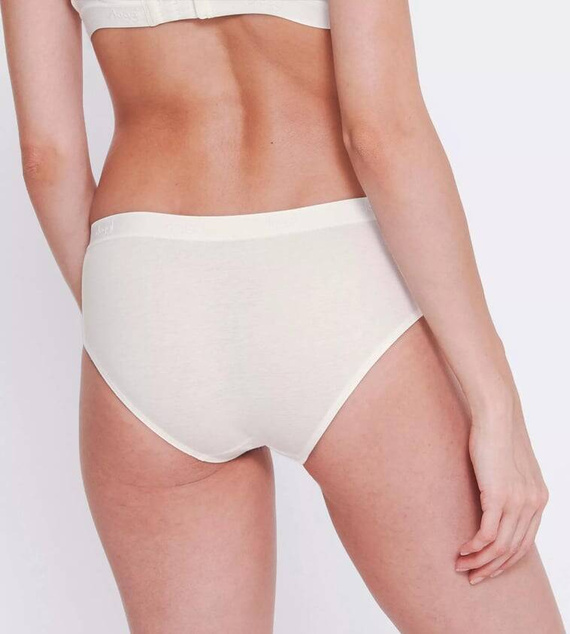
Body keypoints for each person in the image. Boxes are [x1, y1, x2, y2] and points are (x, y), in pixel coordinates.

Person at [1, 0, 564, 631]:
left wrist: (135, 332)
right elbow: (382, 136)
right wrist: (496, 405)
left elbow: (46, 159)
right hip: (333, 276)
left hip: (147, 286)